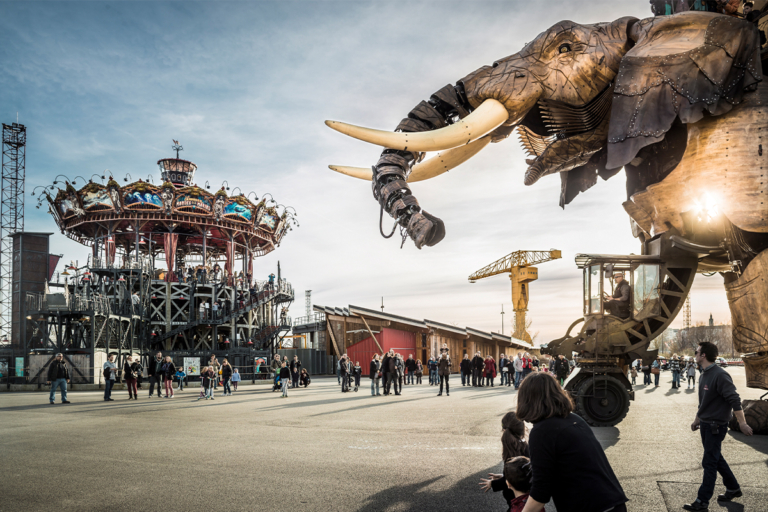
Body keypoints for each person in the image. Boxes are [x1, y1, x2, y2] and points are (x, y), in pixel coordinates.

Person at [516, 372, 628, 512]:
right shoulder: (573, 418)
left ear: (527, 399)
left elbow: (541, 492)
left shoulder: (542, 431)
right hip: (612, 502)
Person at [683, 342, 753, 511]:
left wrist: (742, 423)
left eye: (697, 352)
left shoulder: (720, 375)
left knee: (709, 462)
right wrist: (697, 419)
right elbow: (704, 402)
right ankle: (733, 488)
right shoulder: (704, 373)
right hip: (706, 424)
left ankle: (702, 501)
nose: (695, 354)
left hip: (715, 426)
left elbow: (734, 400)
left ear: (703, 355)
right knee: (715, 458)